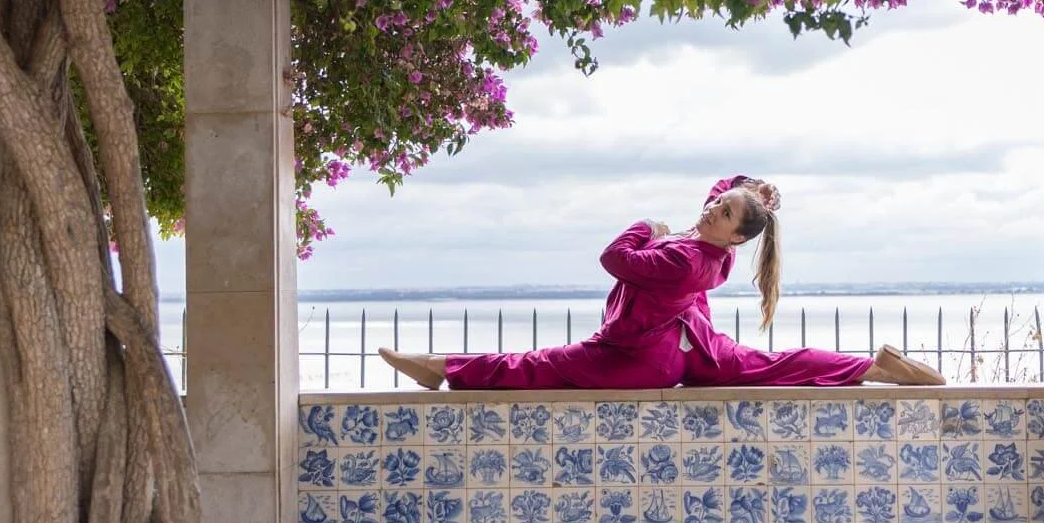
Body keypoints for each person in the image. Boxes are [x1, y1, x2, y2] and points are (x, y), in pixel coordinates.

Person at [378, 176, 945, 390]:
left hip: (639, 359)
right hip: (693, 347)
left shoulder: (683, 260)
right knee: (771, 365)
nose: (709, 209)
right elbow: (725, 196)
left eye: (722, 212)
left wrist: (646, 225)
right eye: (716, 203)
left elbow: (613, 258)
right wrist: (749, 193)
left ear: (736, 237)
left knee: (538, 364)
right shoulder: (710, 252)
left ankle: (441, 368)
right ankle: (874, 367)